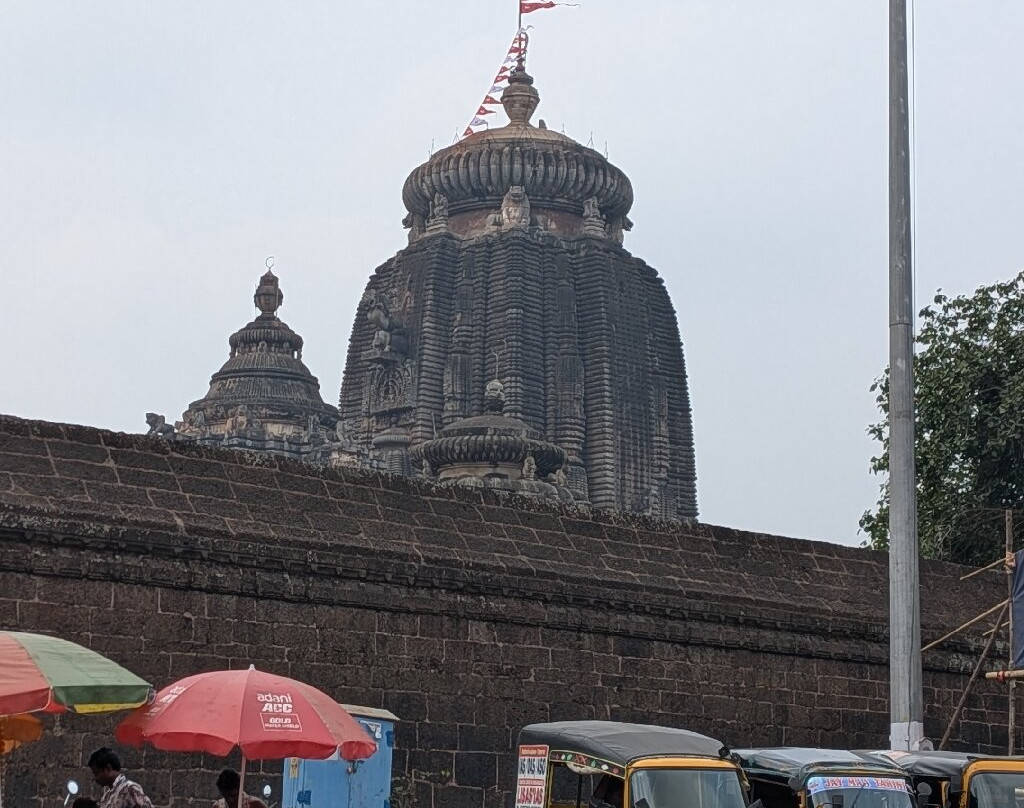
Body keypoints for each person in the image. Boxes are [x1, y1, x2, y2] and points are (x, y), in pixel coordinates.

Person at [87, 748, 153, 808]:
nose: (95, 778)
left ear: (108, 769)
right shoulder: (107, 796)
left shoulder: (130, 788)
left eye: (96, 773)